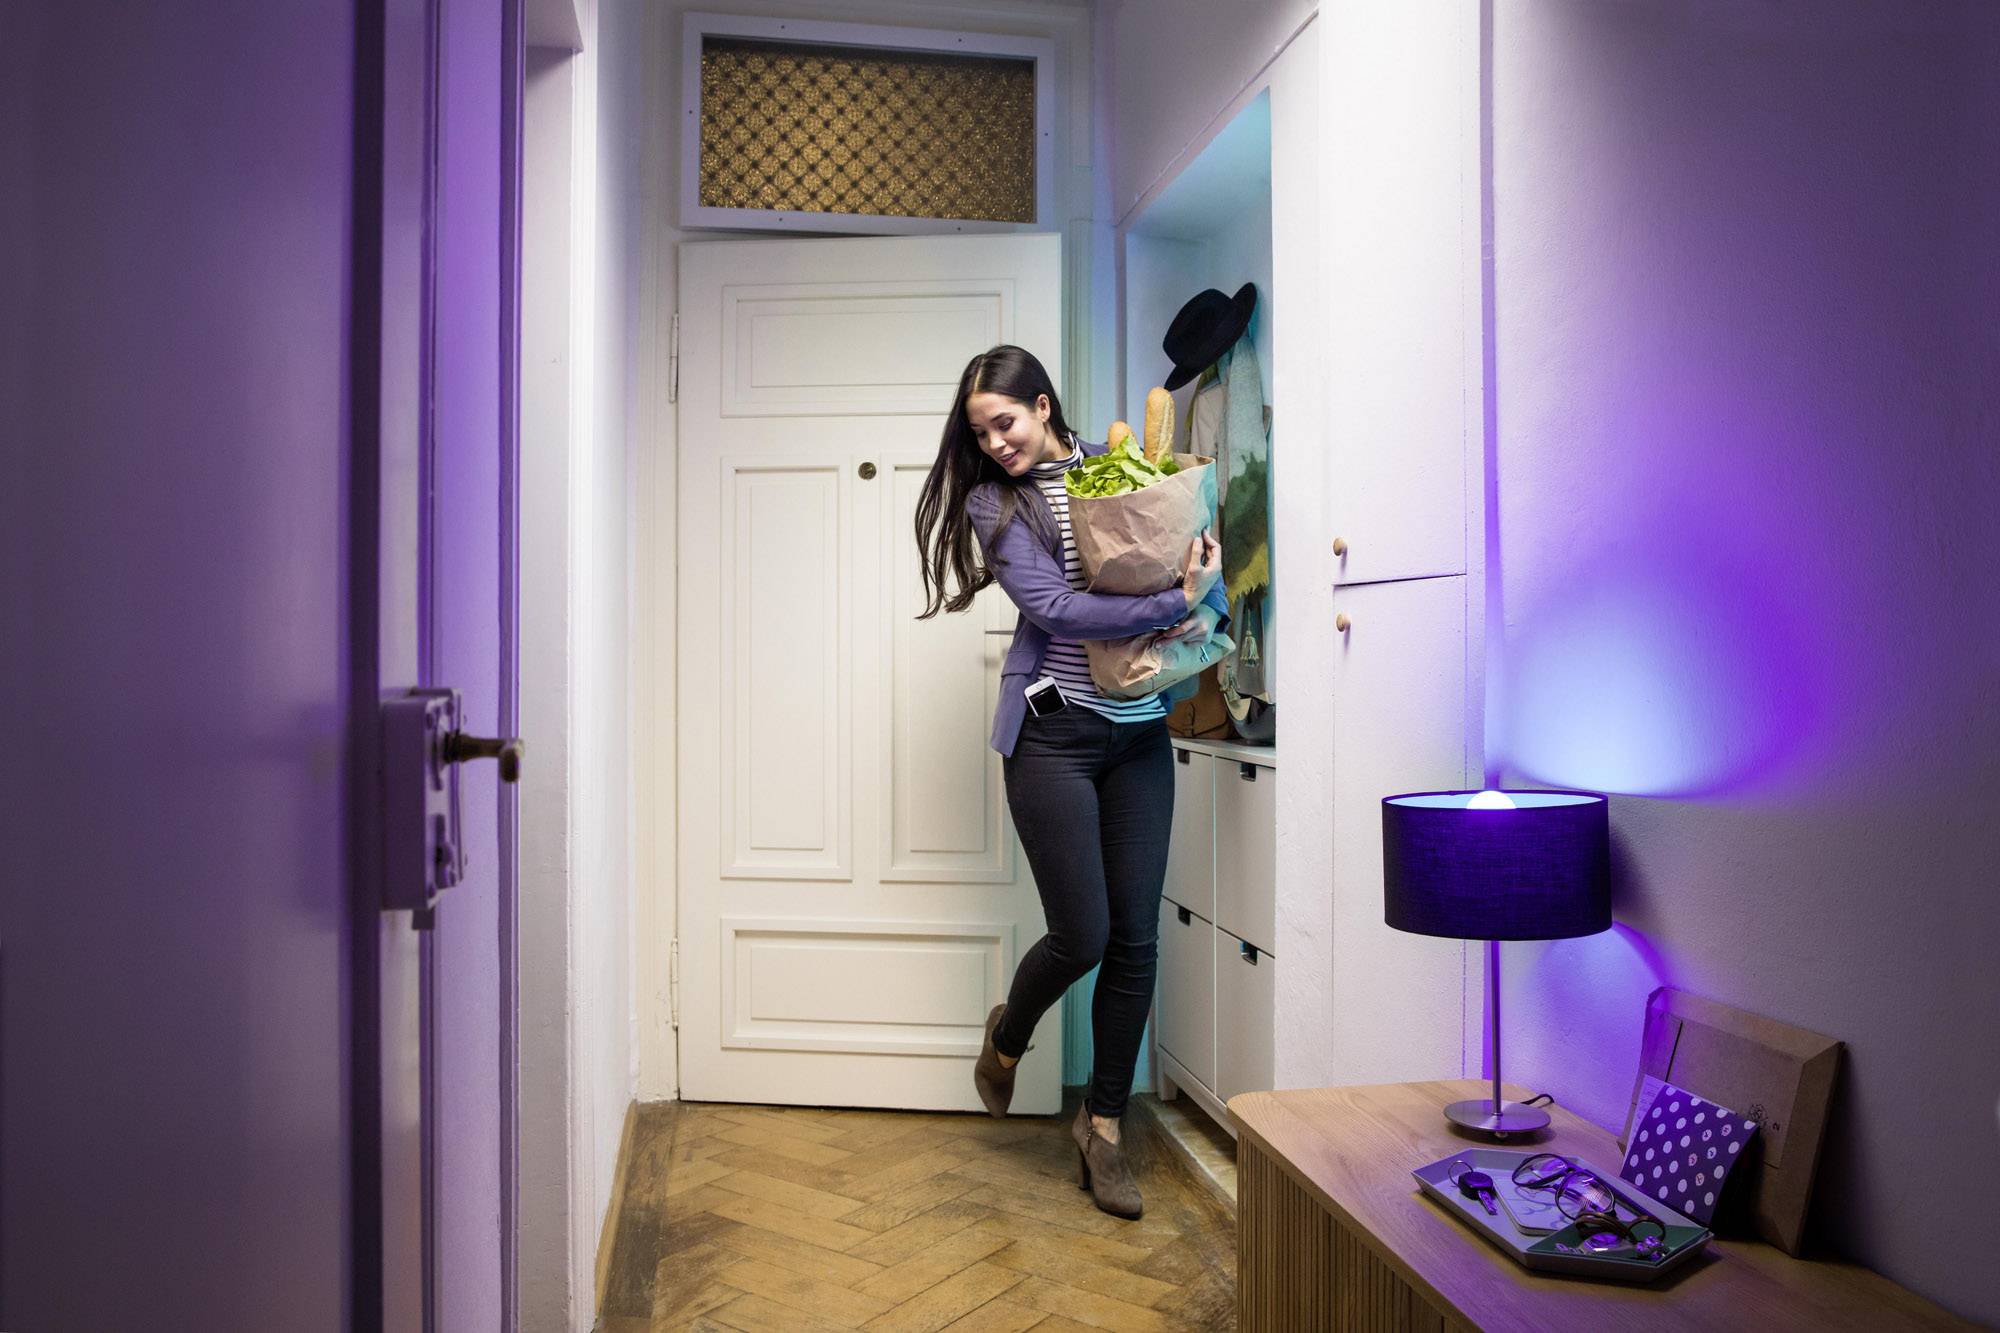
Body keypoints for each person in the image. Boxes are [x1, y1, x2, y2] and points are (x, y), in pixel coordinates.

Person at [913, 345, 1227, 1219]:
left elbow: (1180, 554)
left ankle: (1105, 1127)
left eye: (1004, 422)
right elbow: (1053, 607)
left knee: (1136, 941)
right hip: (1053, 740)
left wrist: (1198, 571)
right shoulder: (994, 502)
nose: (995, 442)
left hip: (1138, 739)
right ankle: (1008, 1033)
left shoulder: (1122, 472)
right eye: (980, 432)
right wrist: (1171, 603)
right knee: (1082, 932)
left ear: (1044, 406)